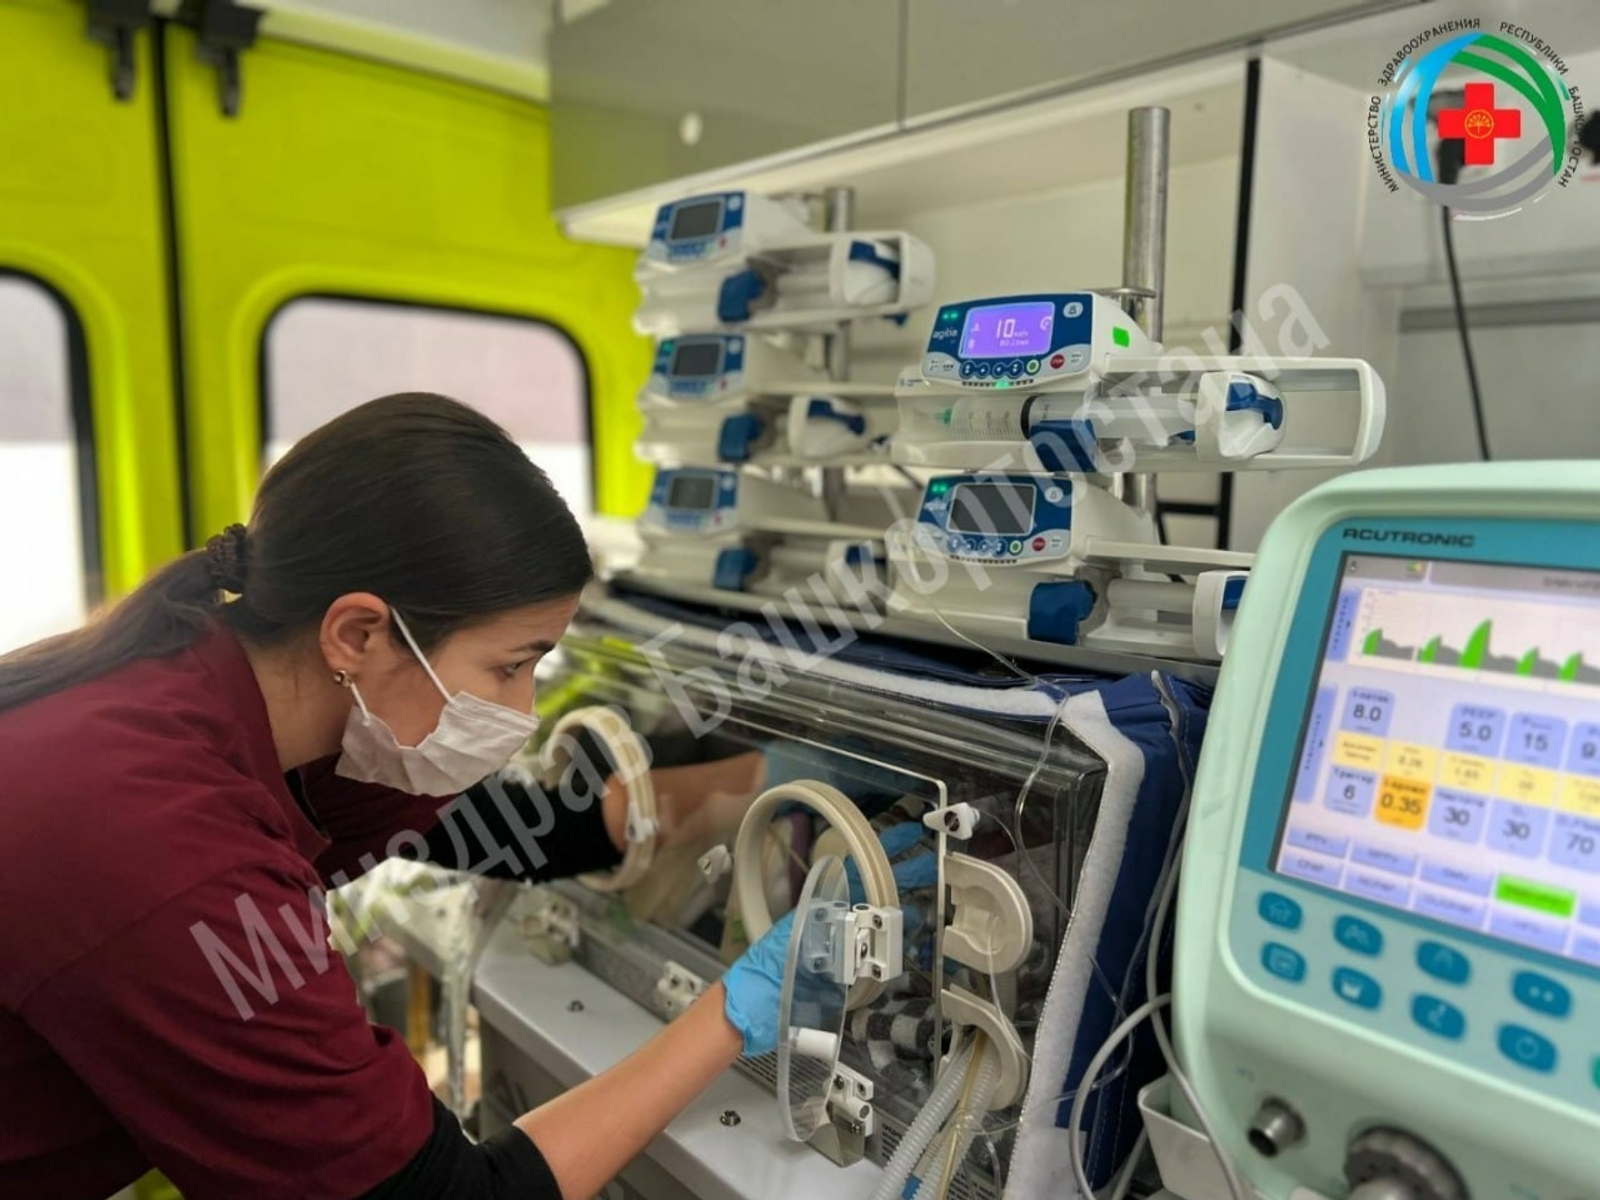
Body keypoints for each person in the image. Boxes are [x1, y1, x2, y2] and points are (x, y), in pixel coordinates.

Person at [0, 394, 793, 1200]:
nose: (523, 710)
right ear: (357, 635)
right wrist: (735, 1012)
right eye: (510, 666)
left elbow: (518, 826)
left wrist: (779, 782)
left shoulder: (232, 695)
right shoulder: (170, 845)